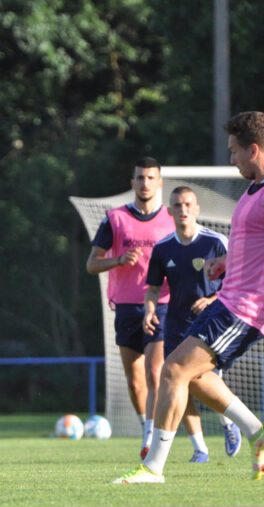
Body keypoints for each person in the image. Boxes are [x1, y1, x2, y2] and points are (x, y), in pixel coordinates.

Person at [114, 111, 264, 484]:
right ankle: (260, 434)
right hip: (230, 300)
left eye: (234, 152)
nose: (232, 160)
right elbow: (263, 243)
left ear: (254, 149)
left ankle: (153, 468)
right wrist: (227, 262)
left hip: (246, 310)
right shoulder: (258, 188)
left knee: (173, 370)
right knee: (191, 377)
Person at [143, 186, 243, 462]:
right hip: (175, 324)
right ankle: (199, 448)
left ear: (197, 209)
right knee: (178, 382)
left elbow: (236, 282)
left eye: (188, 204)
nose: (183, 210)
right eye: (177, 205)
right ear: (170, 211)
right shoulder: (163, 248)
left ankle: (229, 424)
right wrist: (149, 310)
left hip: (210, 322)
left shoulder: (216, 242)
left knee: (207, 381)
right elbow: (152, 288)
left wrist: (212, 300)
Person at [86, 158, 176, 457]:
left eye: (151, 178)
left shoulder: (172, 219)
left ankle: (152, 439)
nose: (145, 183)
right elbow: (91, 264)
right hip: (126, 306)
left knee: (155, 371)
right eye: (140, 178)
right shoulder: (115, 219)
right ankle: (145, 428)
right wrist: (118, 260)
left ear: (160, 182)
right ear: (132, 182)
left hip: (162, 303)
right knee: (135, 380)